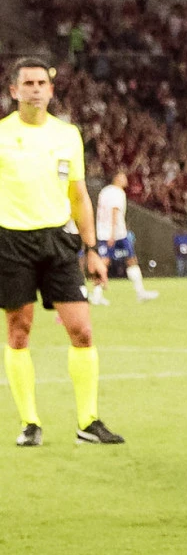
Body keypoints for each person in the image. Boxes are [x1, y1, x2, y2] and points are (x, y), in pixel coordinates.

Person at [0, 57, 124, 446]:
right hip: (11, 240)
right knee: (19, 332)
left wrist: (92, 249)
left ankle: (88, 422)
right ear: (14, 91)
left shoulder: (67, 134)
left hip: (57, 240)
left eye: (42, 83)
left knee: (82, 330)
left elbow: (78, 195)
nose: (36, 89)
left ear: (51, 91)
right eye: (29, 83)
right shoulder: (2, 134)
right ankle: (30, 424)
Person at [92, 169, 158, 304]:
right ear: (116, 178)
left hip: (105, 231)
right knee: (106, 262)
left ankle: (140, 292)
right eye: (123, 177)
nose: (126, 179)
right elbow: (114, 211)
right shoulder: (118, 193)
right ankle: (97, 295)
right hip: (115, 234)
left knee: (130, 259)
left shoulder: (104, 191)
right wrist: (112, 233)